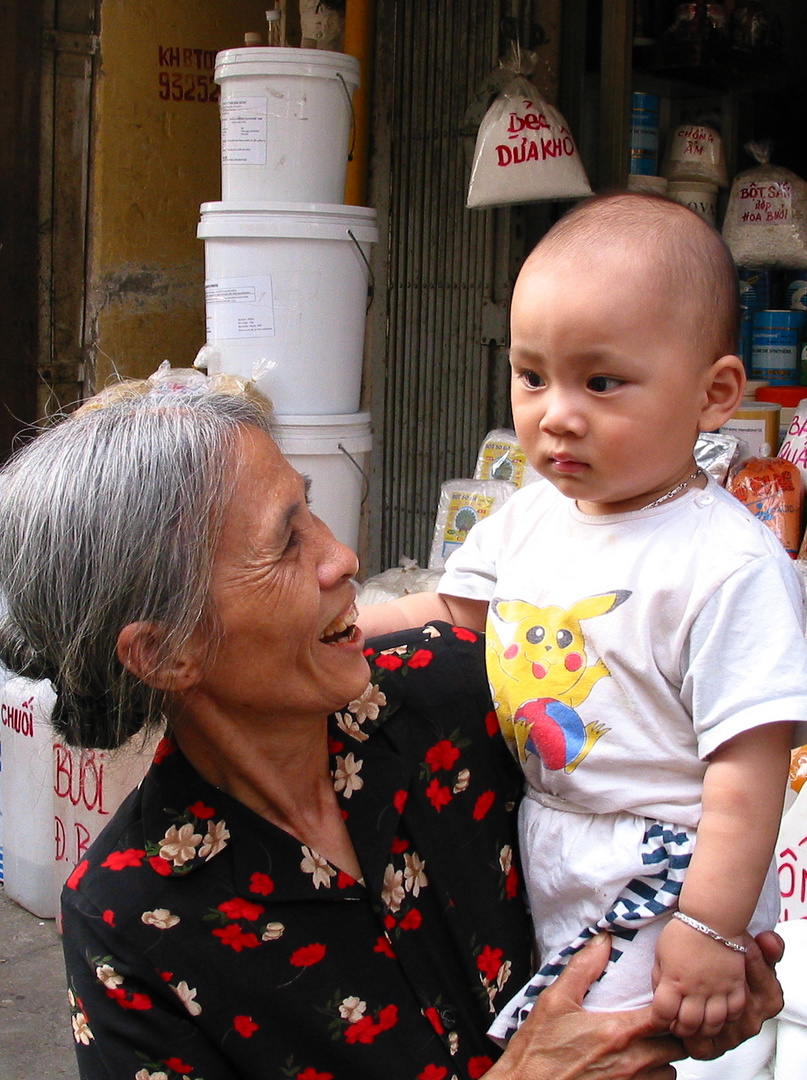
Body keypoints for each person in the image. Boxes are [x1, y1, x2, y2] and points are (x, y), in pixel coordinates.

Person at [0, 364, 734, 1080]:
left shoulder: (453, 696)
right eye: (285, 543)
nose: (342, 556)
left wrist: (701, 974)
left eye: (310, 509)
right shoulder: (131, 925)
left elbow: (666, 811)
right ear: (165, 652)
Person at [358, 193, 807, 1067]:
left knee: (613, 1054)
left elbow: (748, 770)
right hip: (554, 832)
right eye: (533, 377)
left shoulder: (727, 563)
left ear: (714, 395)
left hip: (673, 863)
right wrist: (339, 628)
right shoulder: (528, 518)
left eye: (600, 382)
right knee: (554, 1033)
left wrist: (709, 927)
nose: (556, 413)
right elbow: (449, 614)